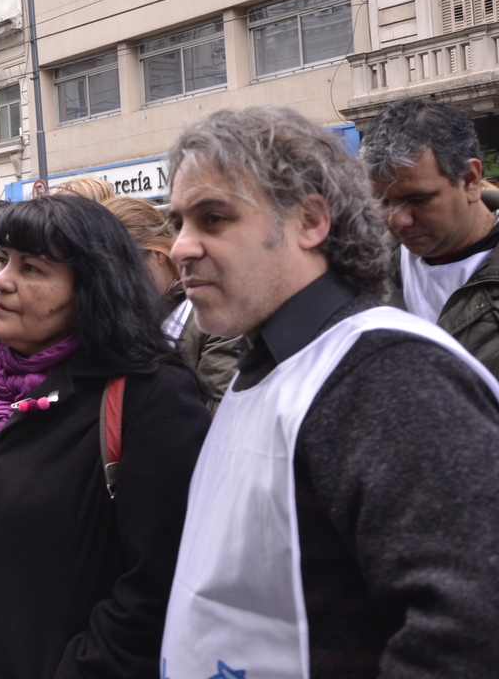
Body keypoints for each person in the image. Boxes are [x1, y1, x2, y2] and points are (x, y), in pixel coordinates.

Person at [160, 106, 499, 678]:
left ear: (311, 221)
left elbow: (472, 626)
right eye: (177, 223)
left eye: (213, 219)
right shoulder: (268, 368)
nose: (181, 248)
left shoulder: (386, 375)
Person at [0, 195, 210, 678]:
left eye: (32, 268)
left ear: (91, 287)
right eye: (2, 259)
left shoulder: (148, 397)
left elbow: (161, 581)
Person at [360, 98, 499, 375]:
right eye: (382, 202)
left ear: (470, 180)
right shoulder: (360, 276)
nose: (398, 219)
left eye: (418, 198)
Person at [102, 195, 239, 407]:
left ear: (158, 253)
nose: (116, 283)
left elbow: (220, 410)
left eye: (124, 268)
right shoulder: (115, 321)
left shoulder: (212, 310)